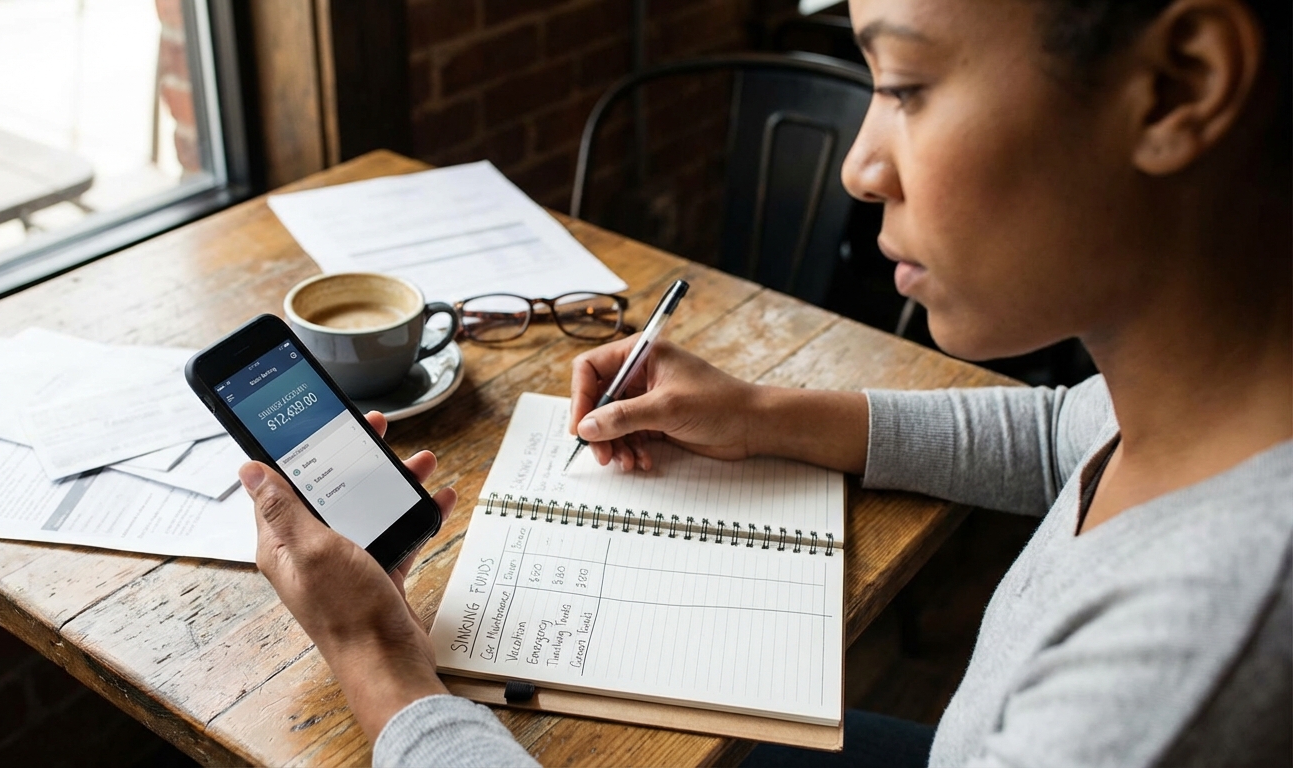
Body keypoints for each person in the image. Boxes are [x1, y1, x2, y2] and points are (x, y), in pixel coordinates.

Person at [237, 0, 1291, 764]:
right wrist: (760, 413)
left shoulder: (1185, 664)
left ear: (1178, 86)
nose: (858, 165)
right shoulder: (1204, 394)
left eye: (908, 87)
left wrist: (375, 655)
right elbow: (1062, 433)